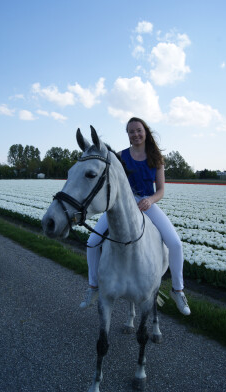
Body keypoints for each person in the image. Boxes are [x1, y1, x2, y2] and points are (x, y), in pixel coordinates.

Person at [79, 117, 191, 316]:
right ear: (128, 135)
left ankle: (178, 290)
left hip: (146, 204)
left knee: (175, 243)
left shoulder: (156, 158)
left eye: (138, 130)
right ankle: (93, 287)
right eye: (131, 131)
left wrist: (151, 200)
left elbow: (162, 190)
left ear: (145, 132)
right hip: (123, 205)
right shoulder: (120, 156)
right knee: (92, 242)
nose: (135, 134)